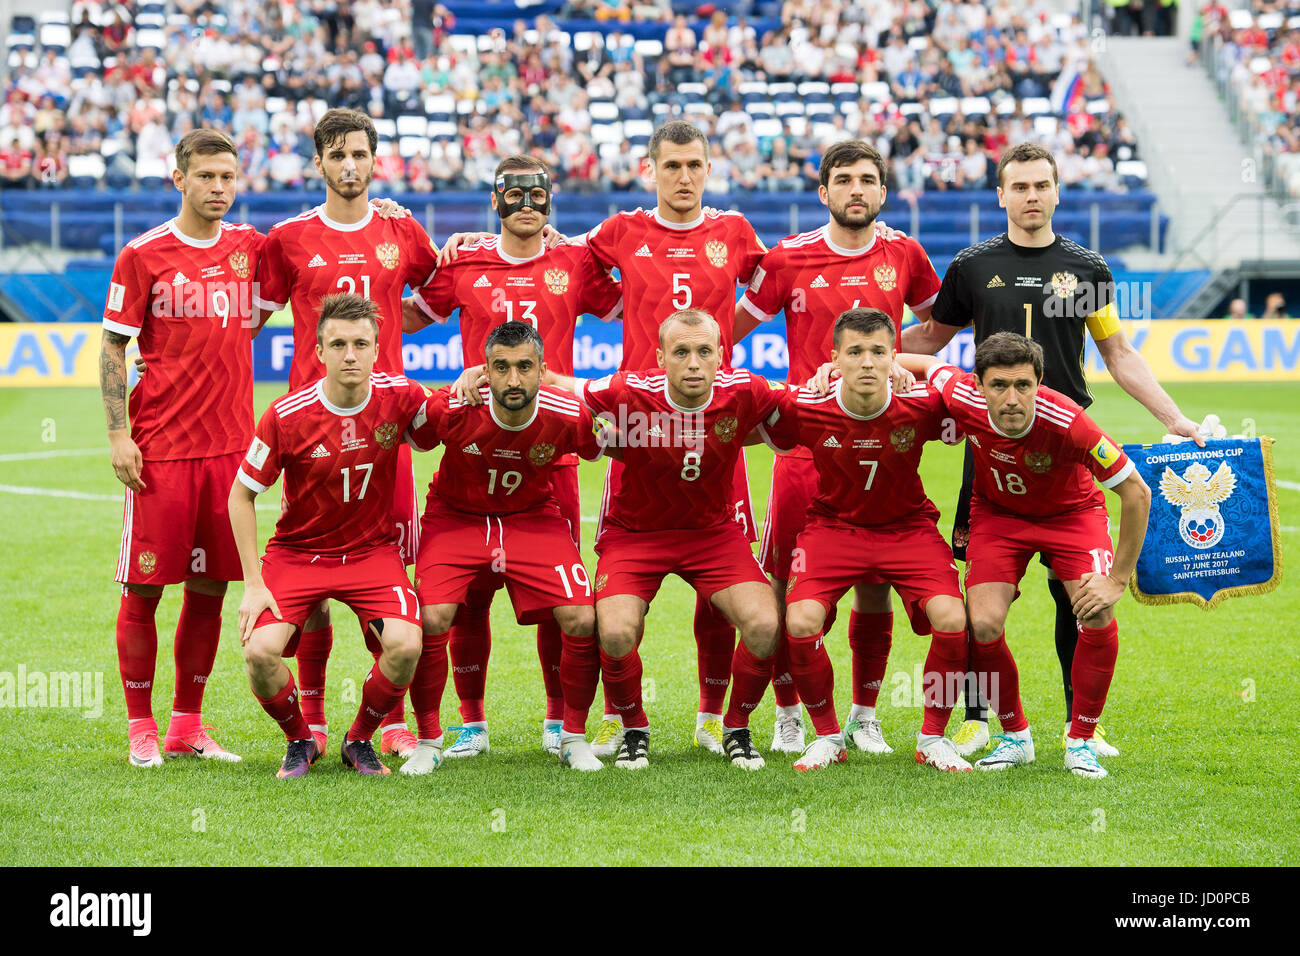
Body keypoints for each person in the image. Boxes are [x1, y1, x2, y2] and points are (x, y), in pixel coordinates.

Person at [902, 141, 1200, 757]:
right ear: (1002, 195)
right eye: (1021, 186)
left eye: (1042, 185)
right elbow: (932, 336)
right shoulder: (974, 266)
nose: (1032, 196)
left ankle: (1078, 724)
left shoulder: (1086, 268)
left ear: (1057, 192)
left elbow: (1117, 352)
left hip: (1068, 446)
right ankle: (981, 719)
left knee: (1078, 595)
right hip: (994, 441)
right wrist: (864, 352)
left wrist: (1171, 416)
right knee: (980, 597)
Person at [401, 155, 621, 759]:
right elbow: (407, 317)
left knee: (560, 598)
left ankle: (558, 721)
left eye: (537, 195)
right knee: (466, 598)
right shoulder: (464, 260)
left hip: (553, 449)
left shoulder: (574, 260)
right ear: (494, 200)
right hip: (477, 443)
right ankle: (471, 723)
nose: (527, 204)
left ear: (550, 201)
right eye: (514, 194)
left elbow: (633, 306)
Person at [736, 140, 942, 755]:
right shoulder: (788, 259)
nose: (857, 189)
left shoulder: (904, 253)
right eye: (844, 180)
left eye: (868, 180)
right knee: (783, 583)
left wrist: (900, 363)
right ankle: (790, 710)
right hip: (807, 447)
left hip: (882, 442)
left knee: (875, 577)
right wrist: (795, 389)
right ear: (823, 192)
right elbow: (730, 331)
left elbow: (935, 329)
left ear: (883, 192)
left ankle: (864, 713)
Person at [573, 121, 769, 758]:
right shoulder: (622, 229)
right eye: (672, 166)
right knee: (619, 607)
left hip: (714, 422)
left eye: (694, 165)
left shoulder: (735, 232)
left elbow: (775, 289)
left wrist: (728, 346)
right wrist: (614, 307)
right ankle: (620, 717)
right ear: (650, 169)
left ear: (709, 170)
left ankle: (714, 717)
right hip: (638, 424)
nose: (683, 177)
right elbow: (567, 264)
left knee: (723, 595)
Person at [253, 108, 440, 760]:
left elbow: (442, 293)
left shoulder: (401, 228)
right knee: (313, 572)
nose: (350, 166)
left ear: (375, 157)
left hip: (387, 429)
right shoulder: (289, 239)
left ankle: (386, 716)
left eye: (359, 153)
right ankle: (311, 711)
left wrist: (392, 322)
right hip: (311, 433)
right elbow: (250, 318)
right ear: (320, 163)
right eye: (337, 155)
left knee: (388, 566)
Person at [902, 334, 1151, 778]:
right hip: (999, 517)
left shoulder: (1070, 422)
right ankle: (1015, 735)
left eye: (1023, 385)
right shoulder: (960, 394)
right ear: (977, 384)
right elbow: (915, 359)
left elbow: (1136, 492)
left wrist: (1117, 579)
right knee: (982, 623)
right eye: (999, 385)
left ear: (1039, 382)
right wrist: (842, 369)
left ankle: (1082, 739)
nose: (1012, 398)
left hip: (1072, 515)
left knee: (1094, 612)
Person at [547, 310, 784, 771]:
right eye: (681, 352)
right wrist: (611, 440)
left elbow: (802, 406)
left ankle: (736, 728)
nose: (693, 363)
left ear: (721, 356)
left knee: (764, 624)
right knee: (614, 631)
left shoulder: (746, 391)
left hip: (713, 535)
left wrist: (831, 371)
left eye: (703, 352)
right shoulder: (631, 391)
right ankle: (635, 728)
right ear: (660, 358)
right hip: (636, 535)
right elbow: (568, 389)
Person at [100, 129, 264, 767]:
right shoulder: (143, 255)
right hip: (161, 450)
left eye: (227, 177)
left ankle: (186, 725)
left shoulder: (250, 249)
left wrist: (387, 211)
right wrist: (119, 434)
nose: (218, 188)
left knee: (210, 589)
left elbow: (314, 244)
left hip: (229, 453)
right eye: (205, 177)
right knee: (143, 590)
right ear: (180, 180)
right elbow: (115, 346)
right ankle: (141, 726)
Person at [755, 309, 971, 772]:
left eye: (878, 352)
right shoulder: (807, 406)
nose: (867, 363)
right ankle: (828, 736)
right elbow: (751, 413)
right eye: (855, 352)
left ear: (894, 357)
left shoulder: (923, 405)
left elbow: (966, 393)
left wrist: (920, 365)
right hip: (834, 528)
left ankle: (932, 738)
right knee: (799, 620)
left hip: (906, 527)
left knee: (953, 618)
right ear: (834, 360)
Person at [230, 294, 428, 778]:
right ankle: (300, 739)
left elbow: (445, 426)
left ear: (377, 348)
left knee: (406, 645)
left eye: (361, 343)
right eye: (338, 344)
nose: (350, 355)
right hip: (298, 553)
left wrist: (467, 384)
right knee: (259, 652)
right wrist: (254, 584)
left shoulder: (401, 398)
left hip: (370, 553)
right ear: (319, 351)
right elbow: (240, 496)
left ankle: (359, 739)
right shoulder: (287, 415)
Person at [403, 322, 607, 773]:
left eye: (524, 367)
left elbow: (600, 447)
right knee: (434, 615)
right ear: (483, 372)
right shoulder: (454, 408)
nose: (513, 380)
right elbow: (413, 436)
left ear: (542, 371)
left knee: (579, 614)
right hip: (456, 517)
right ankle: (431, 739)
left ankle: (571, 735)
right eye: (501, 368)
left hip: (532, 518)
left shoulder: (568, 413)